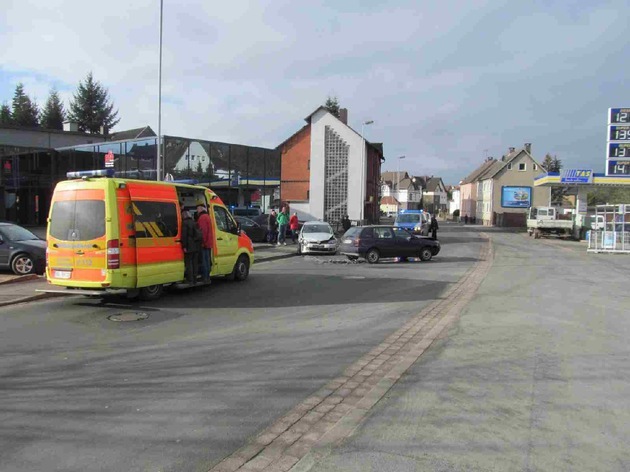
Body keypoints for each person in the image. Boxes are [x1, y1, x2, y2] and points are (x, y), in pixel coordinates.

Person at [180, 210, 201, 284]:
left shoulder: (184, 223)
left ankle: (190, 279)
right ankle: (195, 278)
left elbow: (184, 236)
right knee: (195, 263)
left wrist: (184, 246)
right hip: (196, 246)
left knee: (189, 263)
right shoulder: (194, 222)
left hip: (189, 246)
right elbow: (198, 235)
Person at [196, 204, 213, 282]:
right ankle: (207, 276)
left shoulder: (202, 218)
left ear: (201, 209)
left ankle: (205, 277)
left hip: (204, 243)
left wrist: (203, 242)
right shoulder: (207, 217)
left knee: (204, 261)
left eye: (198, 209)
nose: (197, 210)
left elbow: (203, 231)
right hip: (209, 243)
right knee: (207, 260)